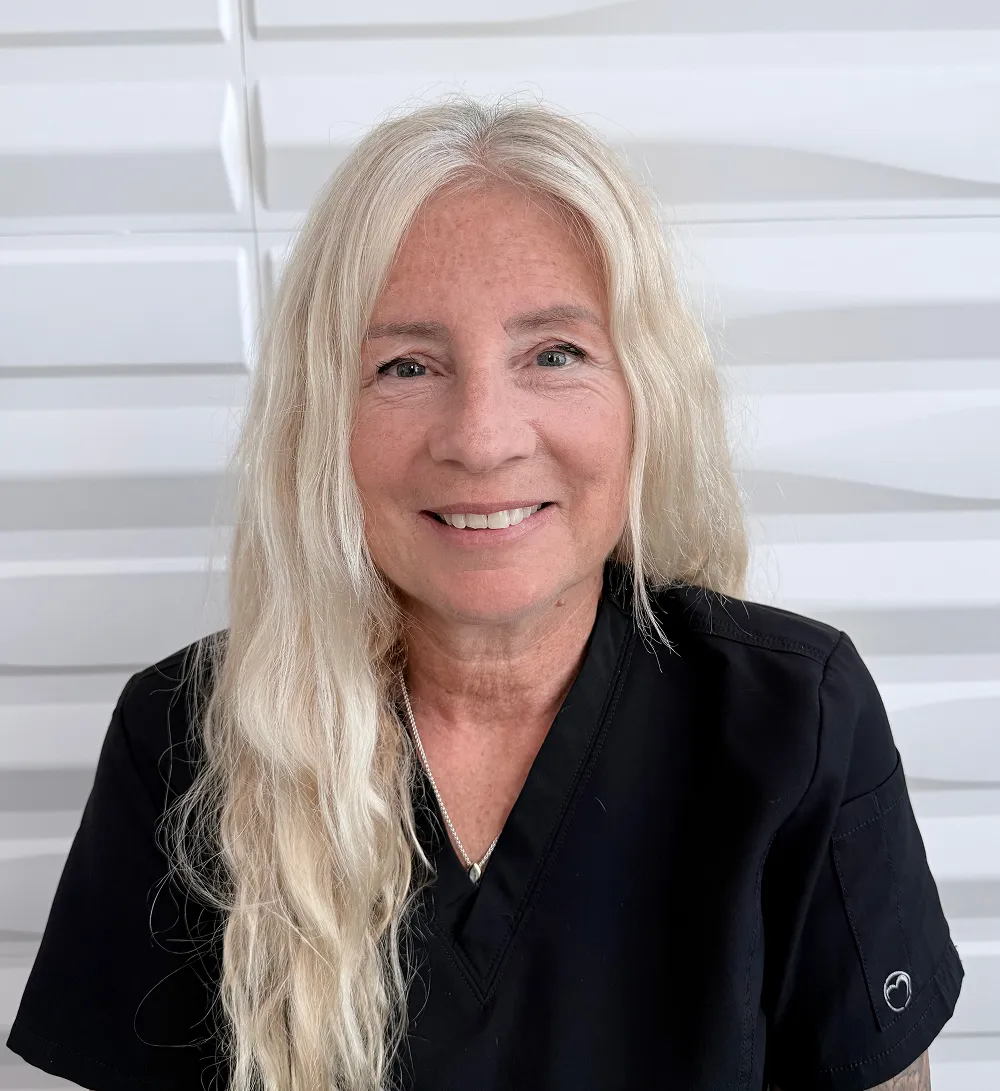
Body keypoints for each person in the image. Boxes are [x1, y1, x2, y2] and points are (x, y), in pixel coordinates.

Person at [7, 94, 963, 1091]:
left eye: (554, 353)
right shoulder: (183, 736)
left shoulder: (793, 720)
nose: (482, 435)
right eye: (406, 364)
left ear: (643, 395)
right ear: (320, 418)